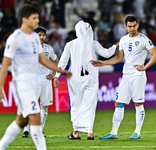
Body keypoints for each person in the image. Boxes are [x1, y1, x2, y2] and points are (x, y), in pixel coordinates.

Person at [0, 4, 72, 150]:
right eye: (34, 18)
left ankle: (1, 146)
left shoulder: (33, 39)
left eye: (38, 18)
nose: (37, 21)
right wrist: (0, 87)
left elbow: (43, 60)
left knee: (21, 121)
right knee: (36, 117)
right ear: (24, 19)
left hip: (33, 83)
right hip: (22, 84)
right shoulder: (15, 39)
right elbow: (5, 65)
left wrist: (59, 71)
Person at [92, 15, 156, 139]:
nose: (132, 28)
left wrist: (144, 67)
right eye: (130, 26)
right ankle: (113, 133)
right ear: (125, 27)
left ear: (137, 25)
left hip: (138, 75)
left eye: (134, 26)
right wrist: (103, 62)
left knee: (138, 103)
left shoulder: (144, 39)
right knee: (118, 103)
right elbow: (119, 58)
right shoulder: (123, 39)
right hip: (126, 75)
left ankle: (137, 132)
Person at [54, 20, 118, 140]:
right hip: (91, 78)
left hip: (75, 79)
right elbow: (107, 53)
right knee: (90, 104)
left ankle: (76, 132)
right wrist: (115, 46)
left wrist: (57, 76)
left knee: (76, 104)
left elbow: (62, 63)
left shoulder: (70, 44)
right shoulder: (93, 44)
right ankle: (89, 132)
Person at [22, 26, 59, 138]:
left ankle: (39, 131)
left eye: (43, 35)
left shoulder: (48, 49)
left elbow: (56, 61)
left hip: (45, 80)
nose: (42, 37)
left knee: (44, 107)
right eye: (40, 35)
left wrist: (54, 74)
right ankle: (26, 131)